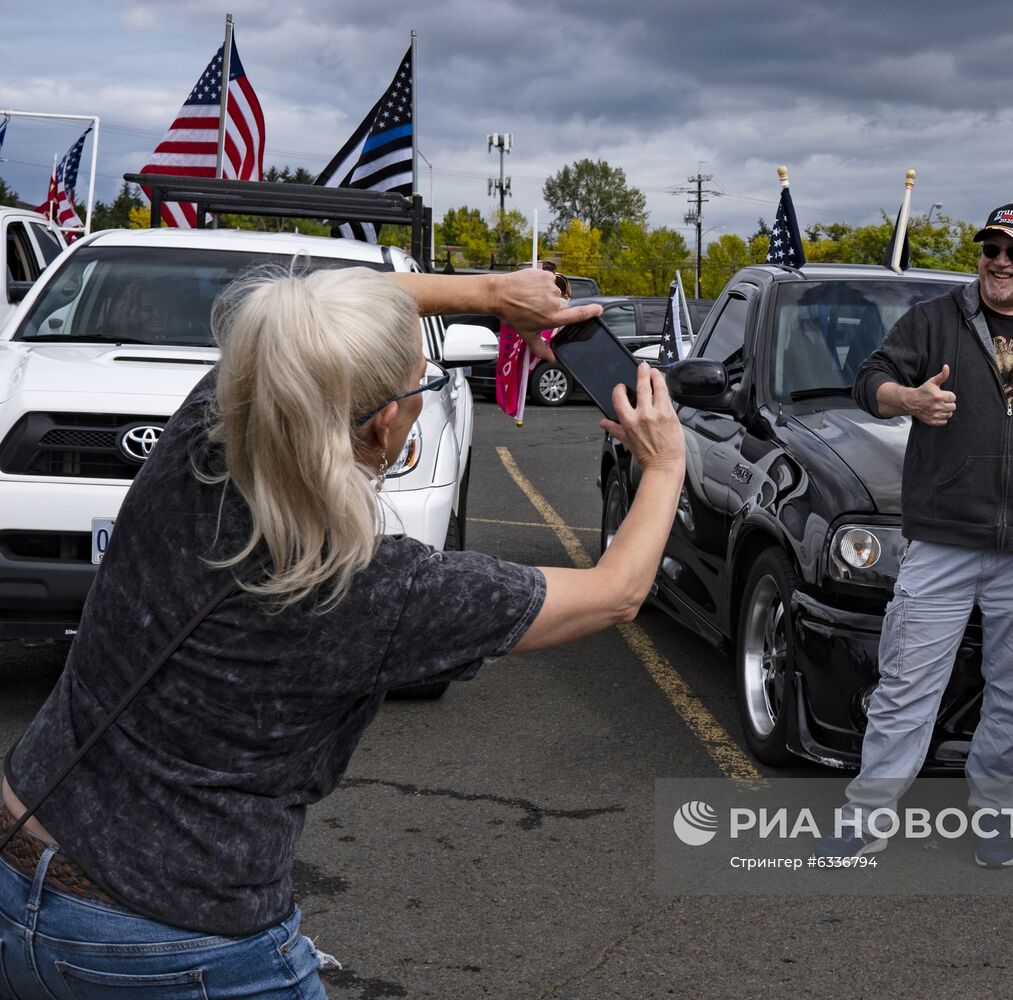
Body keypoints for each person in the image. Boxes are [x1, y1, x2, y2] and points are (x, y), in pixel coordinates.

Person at [0, 265, 685, 997]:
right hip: (178, 940)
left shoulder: (200, 443)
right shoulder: (383, 589)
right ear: (385, 422)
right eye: (423, 387)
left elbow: (308, 307)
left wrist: (490, 297)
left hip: (17, 866)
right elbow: (617, 591)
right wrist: (664, 462)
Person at [816, 204, 1013, 865]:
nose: (999, 261)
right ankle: (866, 818)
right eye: (990, 249)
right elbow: (868, 381)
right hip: (942, 542)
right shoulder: (935, 320)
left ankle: (998, 817)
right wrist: (909, 400)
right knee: (905, 687)